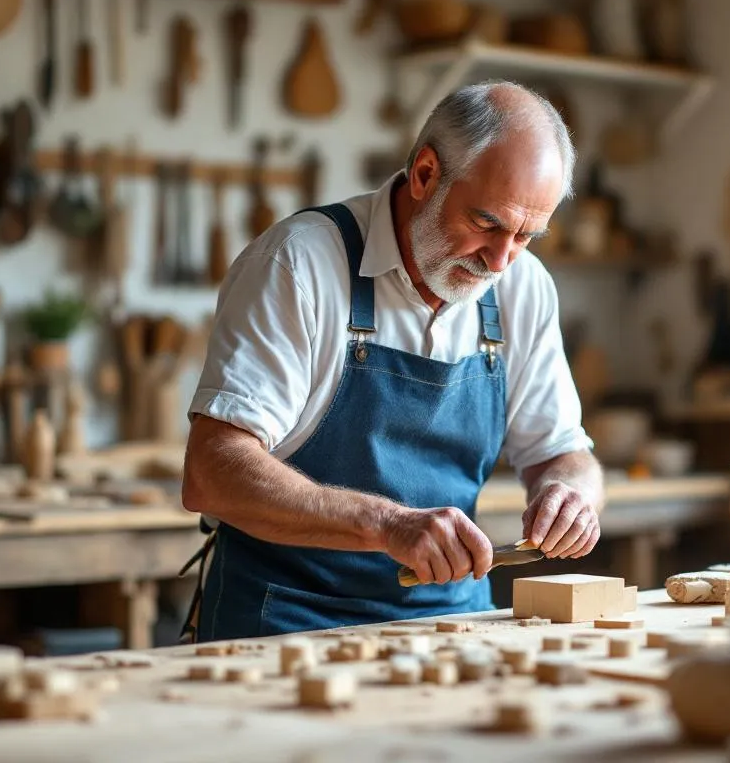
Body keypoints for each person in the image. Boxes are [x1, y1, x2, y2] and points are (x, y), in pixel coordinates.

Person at [180, 80, 604, 641]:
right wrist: (388, 524)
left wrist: (571, 495)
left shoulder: (522, 288)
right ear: (426, 174)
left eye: (527, 236)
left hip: (451, 623)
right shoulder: (298, 264)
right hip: (286, 623)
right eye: (487, 223)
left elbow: (565, 456)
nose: (500, 261)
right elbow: (212, 473)